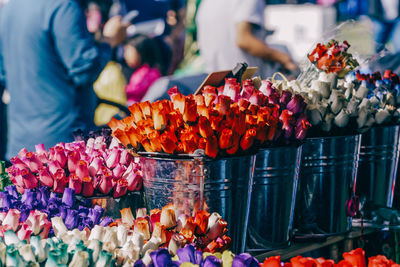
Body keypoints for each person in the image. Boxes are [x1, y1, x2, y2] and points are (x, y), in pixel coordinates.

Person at [0, 0, 127, 159]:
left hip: (20, 147)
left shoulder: (9, 9)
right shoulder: (63, 6)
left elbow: (4, 75)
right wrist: (110, 40)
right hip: (62, 148)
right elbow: (84, 69)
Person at [196, 0, 298, 78]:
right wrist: (284, 58)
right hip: (242, 85)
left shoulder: (207, 2)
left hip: (214, 80)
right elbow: (243, 40)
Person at [123, 34, 163, 105]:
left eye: (128, 51)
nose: (125, 55)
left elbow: (134, 90)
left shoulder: (149, 73)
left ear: (141, 52)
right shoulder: (140, 71)